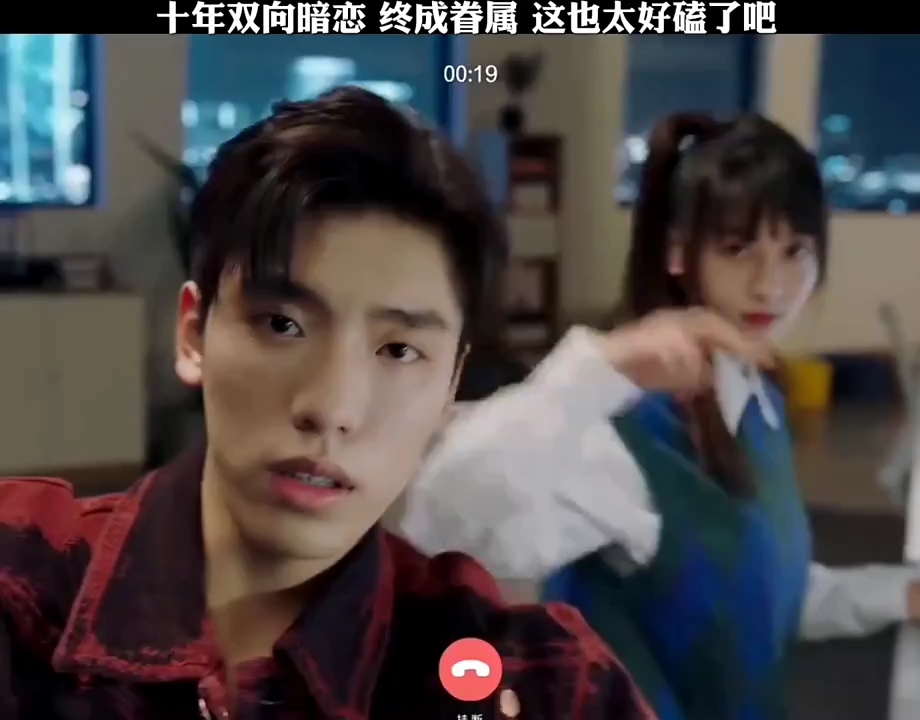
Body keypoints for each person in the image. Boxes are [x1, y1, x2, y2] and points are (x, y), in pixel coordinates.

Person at [0, 88, 654, 719]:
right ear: (194, 335)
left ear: (452, 383)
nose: (333, 407)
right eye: (282, 325)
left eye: (399, 350)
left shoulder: (538, 681)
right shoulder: (22, 588)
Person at [401, 112, 920, 719]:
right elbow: (441, 513)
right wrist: (605, 365)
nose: (770, 286)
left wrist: (899, 595)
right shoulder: (631, 429)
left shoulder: (755, 399)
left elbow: (760, 595)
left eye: (794, 251)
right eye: (737, 249)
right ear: (677, 251)